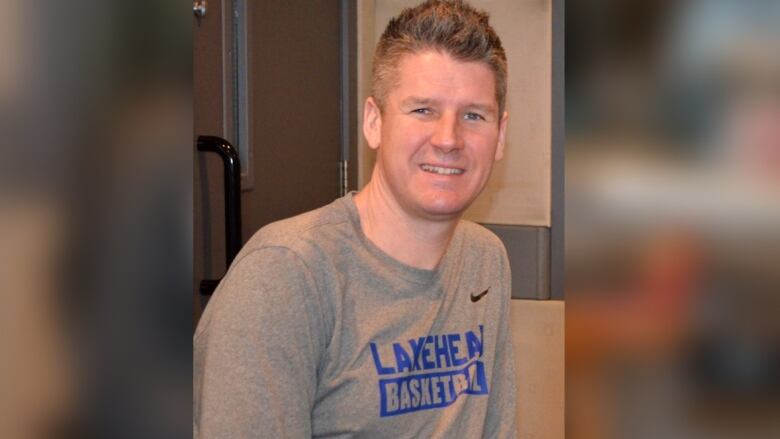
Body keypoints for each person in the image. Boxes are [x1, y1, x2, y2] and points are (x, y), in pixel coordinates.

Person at [194, 1, 516, 437]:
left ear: (500, 137)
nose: (448, 139)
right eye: (422, 110)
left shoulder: (485, 260)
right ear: (373, 122)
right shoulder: (285, 277)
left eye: (473, 116)